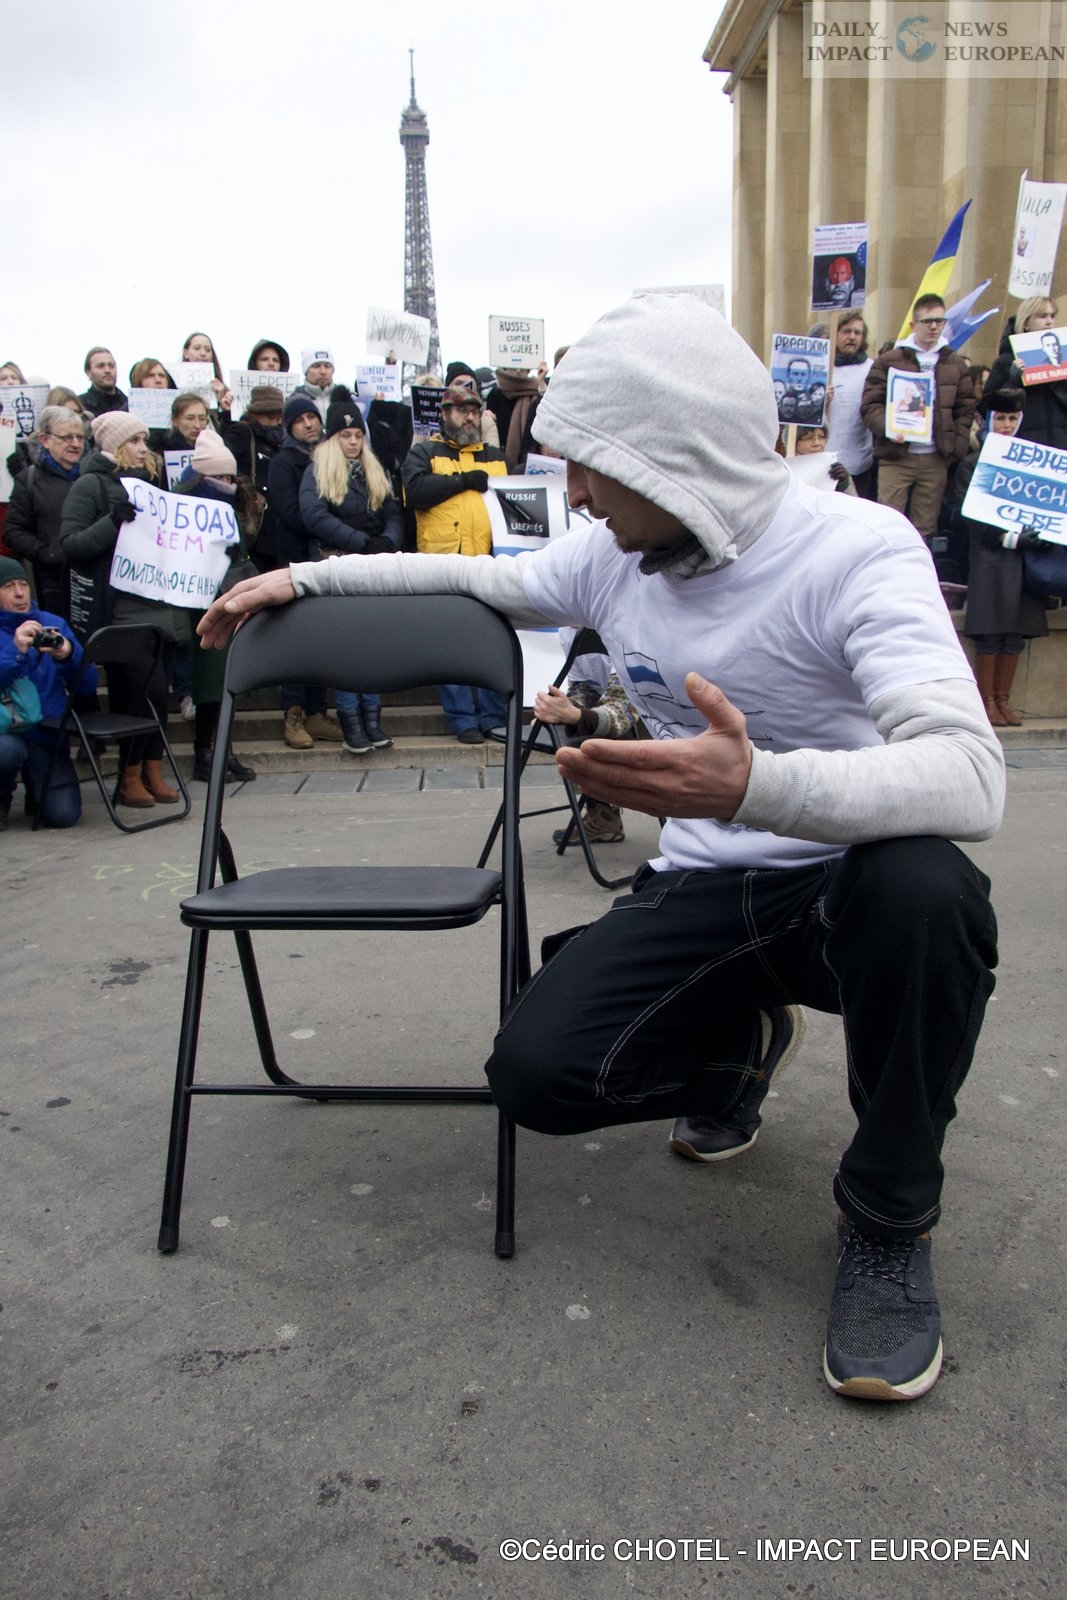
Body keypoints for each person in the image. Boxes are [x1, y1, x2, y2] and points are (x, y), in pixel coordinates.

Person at [200, 294, 1004, 1403]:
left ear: (670, 459)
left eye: (588, 464)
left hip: (844, 891)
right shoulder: (610, 556)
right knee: (536, 1077)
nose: (571, 492)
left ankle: (885, 1219)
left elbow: (967, 774)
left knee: (929, 889)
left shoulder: (857, 548)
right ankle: (741, 1045)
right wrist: (300, 578)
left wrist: (757, 785)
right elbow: (465, 576)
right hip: (702, 887)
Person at [60, 412, 188, 809]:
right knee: (142, 692)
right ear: (114, 445)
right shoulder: (90, 485)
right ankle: (128, 774)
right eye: (133, 441)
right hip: (121, 610)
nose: (142, 448)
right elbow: (71, 544)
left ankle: (152, 769)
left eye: (143, 440)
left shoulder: (148, 484)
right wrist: (112, 523)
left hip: (159, 604)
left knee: (158, 695)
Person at [401, 384, 510, 743]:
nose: (469, 418)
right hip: (443, 563)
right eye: (462, 411)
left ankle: (494, 716)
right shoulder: (424, 452)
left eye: (474, 411)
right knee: (452, 644)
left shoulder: (496, 457)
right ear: (445, 414)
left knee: (492, 642)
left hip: (489, 561)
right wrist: (464, 481)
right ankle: (463, 719)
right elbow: (415, 492)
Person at [298, 389, 402, 753]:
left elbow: (392, 512)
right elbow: (313, 516)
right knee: (346, 646)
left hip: (372, 563)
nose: (354, 441)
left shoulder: (374, 471)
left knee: (373, 644)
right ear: (333, 438)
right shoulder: (316, 470)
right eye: (346, 435)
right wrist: (360, 540)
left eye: (358, 434)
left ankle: (372, 721)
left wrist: (386, 541)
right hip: (336, 565)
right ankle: (351, 724)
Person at [958, 388, 1047, 727]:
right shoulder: (972, 462)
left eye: (1012, 418)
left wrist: (1040, 536)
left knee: (1015, 631)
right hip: (990, 554)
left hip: (1025, 558)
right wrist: (1007, 538)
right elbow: (970, 512)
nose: (1007, 424)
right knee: (991, 629)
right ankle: (986, 702)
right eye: (1000, 418)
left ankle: (1003, 699)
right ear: (989, 421)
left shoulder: (1032, 463)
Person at [174, 429, 257, 783]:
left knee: (223, 683)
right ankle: (205, 754)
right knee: (208, 685)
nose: (226, 483)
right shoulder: (185, 505)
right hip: (200, 603)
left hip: (225, 597)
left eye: (229, 477)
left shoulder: (231, 504)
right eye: (219, 476)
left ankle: (224, 751)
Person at [861, 294, 976, 540]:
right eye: (927, 321)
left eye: (939, 321)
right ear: (914, 325)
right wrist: (889, 429)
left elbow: (965, 410)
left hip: (935, 458)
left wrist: (954, 449)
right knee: (887, 526)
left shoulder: (956, 364)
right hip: (896, 456)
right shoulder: (889, 361)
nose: (933, 327)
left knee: (925, 530)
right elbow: (870, 405)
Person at [267, 393, 342, 749]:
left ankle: (316, 713)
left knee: (323, 641)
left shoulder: (330, 456)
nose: (308, 424)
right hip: (294, 560)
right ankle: (293, 714)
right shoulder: (283, 462)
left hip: (324, 561)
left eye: (312, 417)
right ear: (289, 427)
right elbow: (290, 512)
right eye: (299, 420)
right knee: (296, 642)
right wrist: (329, 526)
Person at [0, 557, 97, 830]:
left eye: (23, 584)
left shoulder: (52, 624)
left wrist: (69, 654)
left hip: (46, 733)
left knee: (63, 815)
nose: (20, 593)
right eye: (8, 586)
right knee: (6, 750)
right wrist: (16, 651)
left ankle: (38, 793)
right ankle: (1, 797)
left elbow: (88, 686)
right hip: (6, 732)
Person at [534, 647, 636, 846]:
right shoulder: (569, 632)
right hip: (609, 712)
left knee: (582, 741)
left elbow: (625, 710)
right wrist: (559, 710)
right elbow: (585, 688)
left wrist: (573, 715)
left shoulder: (625, 632)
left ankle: (605, 814)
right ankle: (603, 816)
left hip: (653, 720)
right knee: (574, 736)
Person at [4, 406, 88, 616]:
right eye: (66, 437)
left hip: (92, 579)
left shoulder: (93, 477)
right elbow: (13, 531)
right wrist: (45, 553)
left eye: (80, 437)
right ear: (45, 440)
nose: (76, 444)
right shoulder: (29, 480)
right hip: (53, 583)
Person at [811, 315, 876, 498]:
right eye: (846, 331)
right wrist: (820, 401)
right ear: (835, 334)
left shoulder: (872, 368)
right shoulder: (819, 367)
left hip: (861, 460)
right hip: (825, 459)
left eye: (857, 332)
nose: (852, 337)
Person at [78, 348, 128, 420]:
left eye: (111, 366)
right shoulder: (79, 406)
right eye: (101, 366)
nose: (107, 370)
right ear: (88, 372)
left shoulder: (130, 404)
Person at [293, 346, 339, 419]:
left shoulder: (348, 398)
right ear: (306, 371)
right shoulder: (294, 401)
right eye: (316, 366)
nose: (323, 372)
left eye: (327, 366)